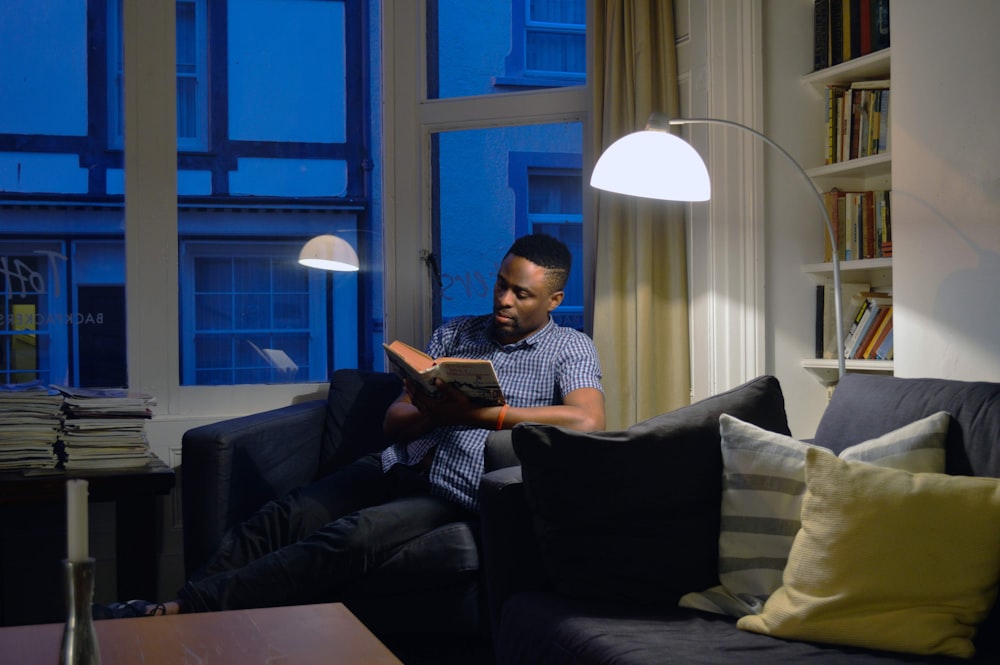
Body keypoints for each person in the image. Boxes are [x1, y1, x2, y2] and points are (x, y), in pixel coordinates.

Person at [94, 232, 604, 618]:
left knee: (349, 537)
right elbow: (393, 421)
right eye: (500, 284)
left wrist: (484, 415)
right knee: (282, 516)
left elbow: (587, 419)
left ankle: (175, 615)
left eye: (521, 293)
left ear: (553, 301)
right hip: (395, 462)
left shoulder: (570, 347)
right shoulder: (457, 331)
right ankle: (187, 611)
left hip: (452, 490)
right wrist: (431, 404)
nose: (504, 301)